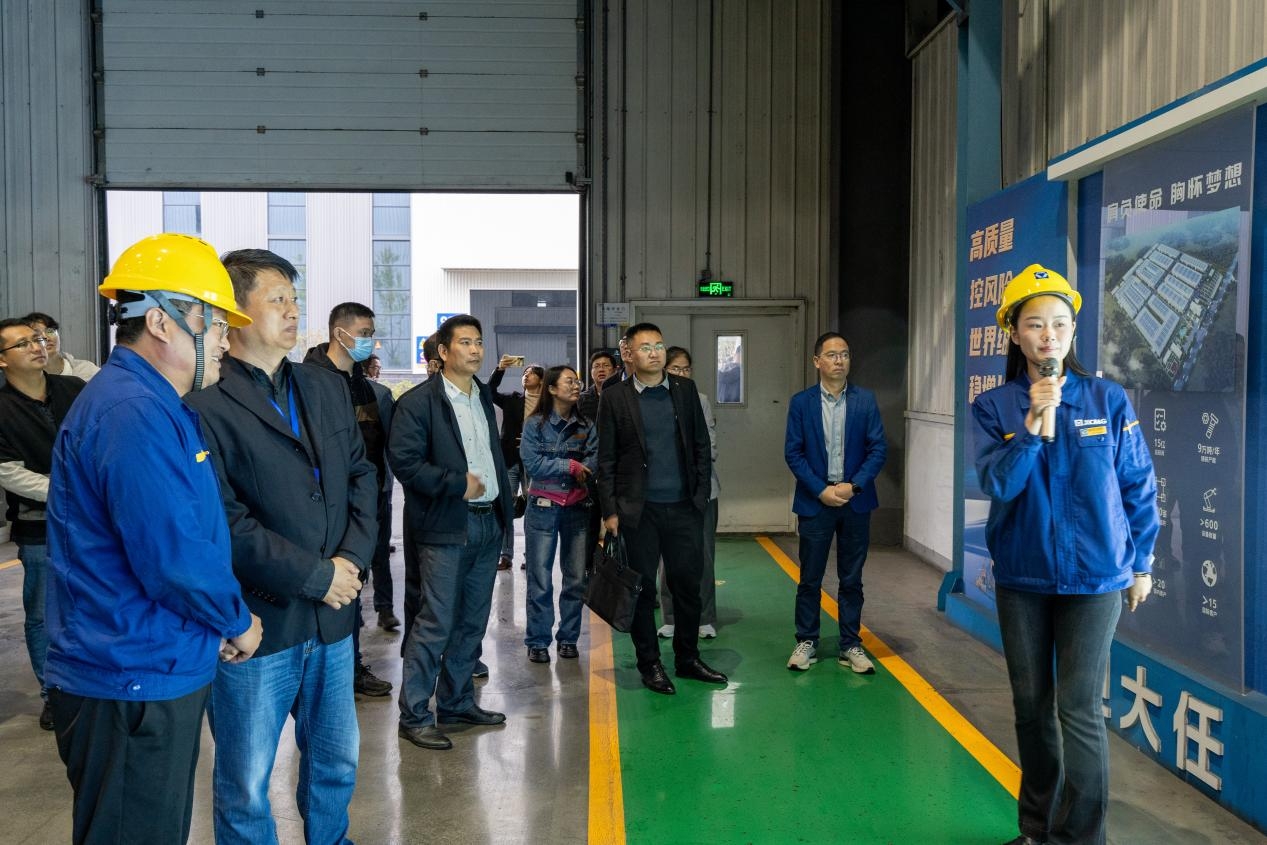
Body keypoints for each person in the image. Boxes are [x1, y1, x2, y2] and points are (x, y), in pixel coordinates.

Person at [44, 233, 263, 845]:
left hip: (150, 661)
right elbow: (173, 556)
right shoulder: (133, 412)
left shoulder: (153, 403)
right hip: (129, 675)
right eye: (215, 323)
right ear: (163, 322)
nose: (225, 340)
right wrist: (235, 621)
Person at [186, 250, 378, 844]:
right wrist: (316, 577)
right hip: (259, 624)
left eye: (295, 299)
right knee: (246, 781)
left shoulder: (324, 386)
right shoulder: (203, 404)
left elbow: (362, 476)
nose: (294, 311)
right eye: (278, 299)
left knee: (336, 761)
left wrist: (351, 561)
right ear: (234, 312)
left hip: (334, 618)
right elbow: (223, 519)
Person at [972, 265, 1157, 845]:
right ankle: (1036, 830)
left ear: (1073, 329)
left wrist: (1142, 563)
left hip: (1096, 579)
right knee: (1031, 707)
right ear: (1014, 333)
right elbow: (999, 484)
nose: (1048, 334)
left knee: (1079, 709)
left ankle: (1080, 839)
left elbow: (1137, 484)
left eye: (1059, 322)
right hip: (1023, 579)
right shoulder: (995, 406)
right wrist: (1033, 423)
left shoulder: (1108, 399)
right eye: (1034, 323)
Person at [390, 314, 513, 750]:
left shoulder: (482, 396)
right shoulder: (419, 402)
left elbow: (493, 456)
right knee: (435, 622)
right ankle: (415, 715)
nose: (475, 350)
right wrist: (455, 484)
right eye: (465, 342)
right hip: (445, 526)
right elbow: (405, 463)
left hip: (487, 522)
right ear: (442, 352)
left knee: (471, 622)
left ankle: (457, 702)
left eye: (478, 342)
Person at [596, 322, 727, 695]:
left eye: (658, 345)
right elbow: (606, 458)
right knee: (642, 591)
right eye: (645, 347)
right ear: (630, 353)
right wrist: (610, 511)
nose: (654, 353)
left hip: (684, 507)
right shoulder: (615, 397)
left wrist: (700, 498)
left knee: (687, 584)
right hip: (638, 511)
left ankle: (687, 658)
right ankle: (650, 663)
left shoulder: (685, 391)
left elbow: (701, 447)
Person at [304, 302, 398, 697]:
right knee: (334, 591)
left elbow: (373, 448)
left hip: (366, 501)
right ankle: (335, 672)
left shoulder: (362, 385)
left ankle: (350, 667)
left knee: (355, 588)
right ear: (338, 332)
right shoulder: (309, 380)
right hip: (326, 506)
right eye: (363, 333)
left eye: (371, 334)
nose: (369, 341)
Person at [783, 332, 887, 674]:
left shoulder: (865, 401)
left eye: (844, 354)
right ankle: (806, 641)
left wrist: (853, 487)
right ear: (817, 362)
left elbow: (877, 449)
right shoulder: (802, 403)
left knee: (851, 578)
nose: (839, 360)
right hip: (816, 503)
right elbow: (793, 453)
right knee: (810, 578)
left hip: (855, 502)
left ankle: (850, 644)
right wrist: (821, 490)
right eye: (831, 354)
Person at [0, 318, 86, 731]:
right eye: (23, 343)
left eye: (38, 339)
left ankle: (86, 685)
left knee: (88, 604)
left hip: (90, 522)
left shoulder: (74, 389)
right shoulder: (2, 409)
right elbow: (9, 471)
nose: (38, 346)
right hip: (39, 526)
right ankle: (53, 694)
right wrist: (70, 489)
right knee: (42, 614)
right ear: (2, 360)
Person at [519, 365, 598, 663]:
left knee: (575, 578)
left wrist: (581, 469)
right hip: (542, 507)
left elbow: (594, 459)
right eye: (569, 381)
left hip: (577, 508)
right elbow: (533, 464)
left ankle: (568, 638)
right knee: (540, 577)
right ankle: (538, 641)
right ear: (552, 389)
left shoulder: (586, 425)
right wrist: (570, 466)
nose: (576, 386)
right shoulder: (534, 425)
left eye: (577, 381)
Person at [656, 346, 720, 640]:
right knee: (667, 558)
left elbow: (710, 446)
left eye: (686, 369)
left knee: (703, 555)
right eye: (675, 369)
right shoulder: (654, 399)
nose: (681, 374)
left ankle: (704, 617)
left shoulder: (700, 399)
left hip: (701, 490)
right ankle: (670, 616)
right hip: (664, 492)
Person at [489, 355, 543, 570]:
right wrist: (500, 369)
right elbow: (489, 392)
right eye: (524, 373)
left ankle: (531, 556)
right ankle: (505, 555)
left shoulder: (548, 405)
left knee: (533, 510)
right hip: (510, 459)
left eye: (531, 373)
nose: (526, 376)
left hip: (535, 462)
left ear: (541, 380)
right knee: (506, 508)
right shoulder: (512, 399)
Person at [22, 311, 100, 381]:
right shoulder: (24, 379)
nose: (46, 338)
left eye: (50, 331)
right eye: (37, 334)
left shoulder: (86, 370)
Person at [577, 348, 617, 421]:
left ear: (615, 371)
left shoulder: (623, 395)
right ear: (591, 372)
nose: (601, 369)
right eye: (596, 366)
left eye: (606, 365)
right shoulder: (582, 399)